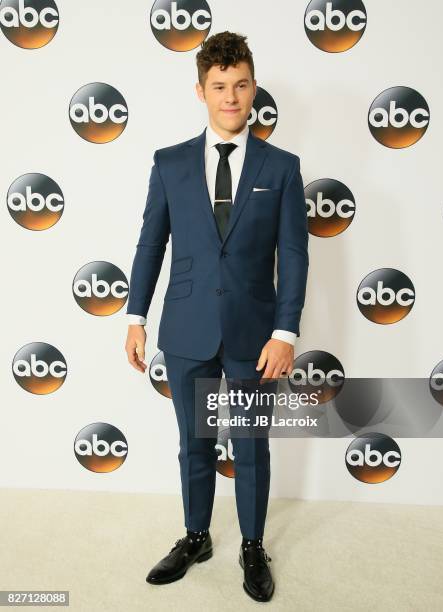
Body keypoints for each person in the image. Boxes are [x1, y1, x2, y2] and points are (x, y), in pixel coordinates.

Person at [125, 30, 309, 603]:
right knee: (193, 443)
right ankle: (197, 536)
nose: (232, 97)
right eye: (219, 86)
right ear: (201, 91)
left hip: (256, 336)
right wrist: (134, 316)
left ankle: (252, 546)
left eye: (242, 85)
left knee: (251, 444)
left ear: (254, 89)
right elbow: (151, 244)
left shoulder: (281, 166)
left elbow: (295, 254)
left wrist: (285, 331)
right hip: (186, 329)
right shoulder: (171, 162)